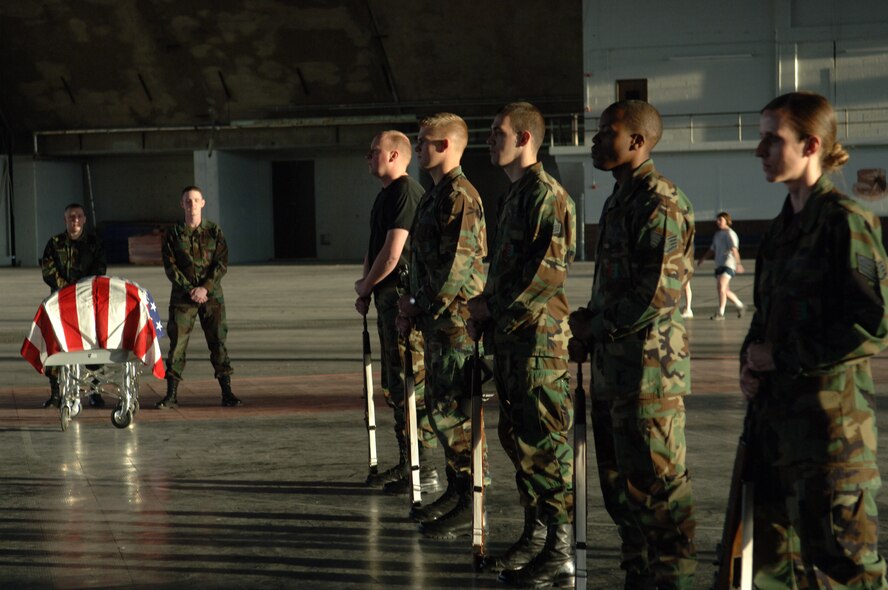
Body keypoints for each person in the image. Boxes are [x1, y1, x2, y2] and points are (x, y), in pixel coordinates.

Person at [741, 91, 888, 588]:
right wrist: (750, 360)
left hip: (831, 438)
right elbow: (766, 316)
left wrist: (780, 357)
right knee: (772, 572)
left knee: (847, 568)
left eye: (771, 139)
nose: (759, 151)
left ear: (811, 145)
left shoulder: (846, 221)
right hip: (776, 434)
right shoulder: (782, 229)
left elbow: (875, 323)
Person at [567, 100, 697, 590]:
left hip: (649, 377)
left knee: (660, 498)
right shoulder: (619, 199)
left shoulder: (661, 202)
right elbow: (615, 288)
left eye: (607, 133)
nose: (597, 141)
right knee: (622, 497)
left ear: (637, 142)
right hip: (615, 373)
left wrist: (593, 327)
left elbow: (655, 294)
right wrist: (590, 326)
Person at [467, 102, 577, 588]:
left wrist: (492, 308)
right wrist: (484, 308)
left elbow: (546, 276)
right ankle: (536, 537)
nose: (490, 140)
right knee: (519, 442)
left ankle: (561, 547)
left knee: (545, 445)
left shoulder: (548, 196)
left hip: (539, 344)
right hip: (513, 341)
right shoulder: (515, 194)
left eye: (498, 133)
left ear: (527, 138)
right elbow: (506, 269)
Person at [396, 112, 488, 539]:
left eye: (424, 142)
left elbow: (456, 267)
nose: (418, 148)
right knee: (442, 411)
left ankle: (472, 499)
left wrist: (418, 304)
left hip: (452, 323)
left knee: (458, 417)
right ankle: (457, 490)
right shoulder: (437, 195)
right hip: (435, 323)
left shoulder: (460, 197)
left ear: (446, 146)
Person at [354, 130, 441, 495]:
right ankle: (409, 463)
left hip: (400, 300)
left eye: (374, 151)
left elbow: (393, 252)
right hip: (385, 298)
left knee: (409, 383)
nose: (368, 157)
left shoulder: (406, 192)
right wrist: (365, 285)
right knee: (394, 384)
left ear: (394, 156)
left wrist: (368, 285)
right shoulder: (386, 195)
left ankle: (424, 466)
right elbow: (374, 247)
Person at [156, 186, 241, 408]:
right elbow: (170, 267)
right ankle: (171, 395)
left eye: (195, 200)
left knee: (218, 342)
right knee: (177, 346)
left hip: (211, 297)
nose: (191, 204)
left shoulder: (214, 231)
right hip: (183, 298)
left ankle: (227, 393)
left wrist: (205, 288)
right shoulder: (173, 234)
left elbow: (221, 264)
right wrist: (190, 289)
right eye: (187, 201)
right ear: (182, 204)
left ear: (202, 203)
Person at [40, 202, 108, 408]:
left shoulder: (94, 243)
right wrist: (66, 289)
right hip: (59, 303)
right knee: (55, 346)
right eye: (71, 217)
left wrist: (80, 289)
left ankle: (94, 391)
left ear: (84, 219)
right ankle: (55, 393)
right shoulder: (54, 243)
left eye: (79, 216)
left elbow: (100, 269)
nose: (75, 220)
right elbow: (48, 270)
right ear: (65, 220)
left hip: (85, 303)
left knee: (91, 346)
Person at [696, 212, 745, 320]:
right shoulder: (717, 234)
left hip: (728, 264)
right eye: (717, 220)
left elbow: (734, 250)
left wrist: (738, 263)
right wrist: (703, 258)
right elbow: (712, 249)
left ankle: (720, 313)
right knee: (724, 290)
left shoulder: (730, 234)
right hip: (719, 264)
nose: (718, 222)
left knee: (721, 287)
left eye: (720, 220)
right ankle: (740, 305)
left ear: (727, 221)